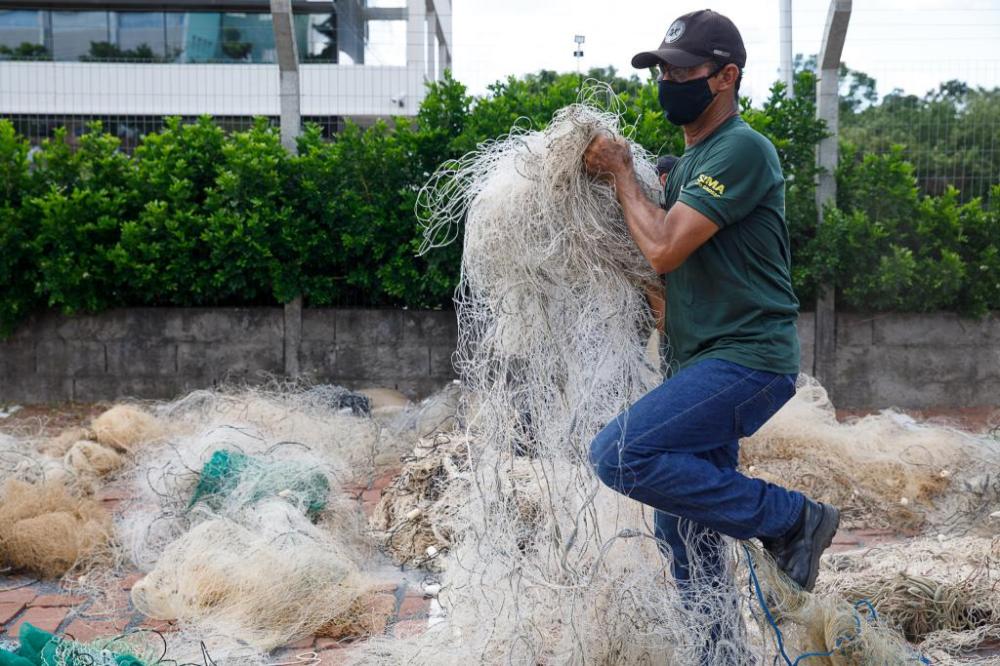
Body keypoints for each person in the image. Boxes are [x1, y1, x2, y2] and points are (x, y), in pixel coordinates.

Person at [583, 8, 840, 613]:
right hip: (700, 363)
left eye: (683, 71)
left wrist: (621, 172)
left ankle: (792, 519)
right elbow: (669, 280)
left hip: (747, 360)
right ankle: (718, 652)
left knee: (619, 453)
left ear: (725, 77)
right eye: (662, 72)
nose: (669, 83)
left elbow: (666, 247)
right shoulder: (688, 167)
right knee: (681, 525)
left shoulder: (741, 149)